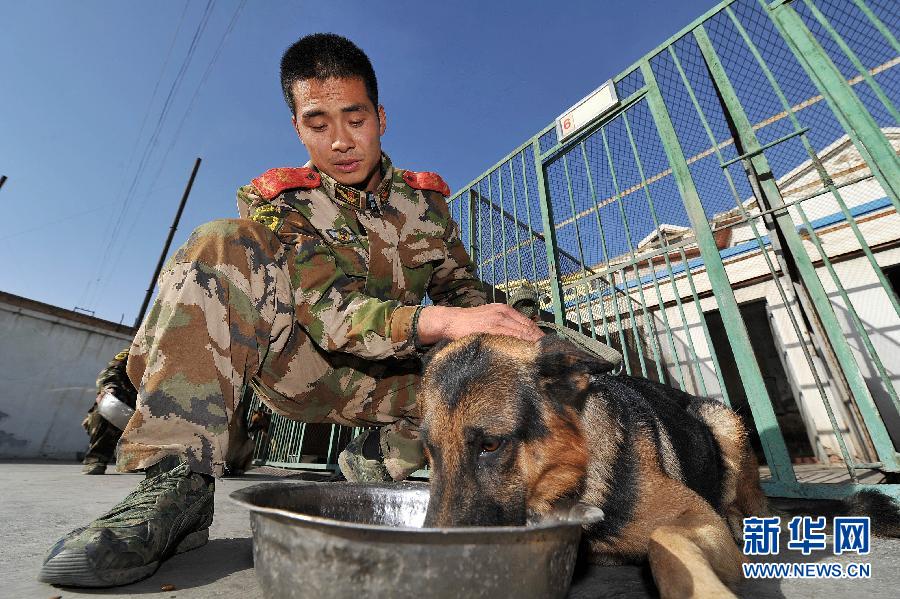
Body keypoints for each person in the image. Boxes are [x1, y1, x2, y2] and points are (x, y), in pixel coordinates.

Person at [39, 33, 542, 588]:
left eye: (355, 119)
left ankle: (376, 458)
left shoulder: (426, 205)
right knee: (223, 243)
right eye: (318, 123)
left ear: (381, 117)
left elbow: (460, 291)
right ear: (297, 129)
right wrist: (443, 321)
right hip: (302, 369)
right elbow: (327, 312)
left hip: (396, 383)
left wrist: (504, 318)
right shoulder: (277, 200)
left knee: (495, 361)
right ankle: (175, 481)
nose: (341, 141)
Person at [80, 349, 137, 475]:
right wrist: (109, 388)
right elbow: (111, 371)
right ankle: (97, 458)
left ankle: (136, 456)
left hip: (157, 414)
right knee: (111, 402)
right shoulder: (140, 348)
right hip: (131, 410)